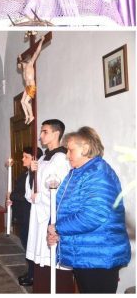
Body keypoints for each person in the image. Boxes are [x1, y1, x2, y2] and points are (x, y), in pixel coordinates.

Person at [47, 126, 131, 293]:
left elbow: (93, 215)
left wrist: (57, 227)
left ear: (85, 149)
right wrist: (54, 230)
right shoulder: (78, 173)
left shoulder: (98, 173)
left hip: (99, 254)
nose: (67, 155)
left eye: (70, 150)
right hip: (86, 252)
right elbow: (63, 206)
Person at [25, 119, 71, 292]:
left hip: (51, 216)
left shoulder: (62, 159)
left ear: (56, 133)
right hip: (39, 215)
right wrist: (31, 172)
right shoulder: (44, 157)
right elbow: (33, 189)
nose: (41, 135)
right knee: (41, 258)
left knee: (52, 259)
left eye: (45, 132)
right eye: (41, 131)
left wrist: (39, 197)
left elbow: (60, 191)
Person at [6, 146, 43, 286]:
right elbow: (19, 192)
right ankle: (31, 272)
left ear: (34, 159)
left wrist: (12, 196)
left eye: (26, 157)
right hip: (22, 213)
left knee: (30, 245)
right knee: (26, 244)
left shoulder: (36, 175)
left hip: (29, 214)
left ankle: (33, 275)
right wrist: (11, 200)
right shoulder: (25, 174)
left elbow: (29, 196)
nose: (22, 159)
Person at [17, 35, 45, 125]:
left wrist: (41, 41)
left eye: (22, 63)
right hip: (27, 87)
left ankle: (31, 116)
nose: (21, 65)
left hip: (31, 86)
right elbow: (19, 65)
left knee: (26, 101)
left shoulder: (30, 63)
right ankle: (27, 116)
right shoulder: (23, 69)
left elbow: (36, 52)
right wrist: (19, 58)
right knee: (22, 101)